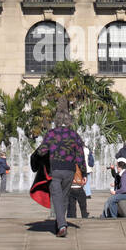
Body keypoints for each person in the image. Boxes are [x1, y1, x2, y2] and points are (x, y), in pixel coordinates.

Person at [35, 98, 86, 237]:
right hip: (69, 170)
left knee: (57, 197)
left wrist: (38, 160)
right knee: (63, 197)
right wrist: (84, 173)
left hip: (55, 170)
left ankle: (62, 225)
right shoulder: (74, 135)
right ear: (69, 121)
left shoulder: (51, 134)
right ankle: (59, 224)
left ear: (56, 121)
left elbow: (41, 151)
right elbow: (80, 155)